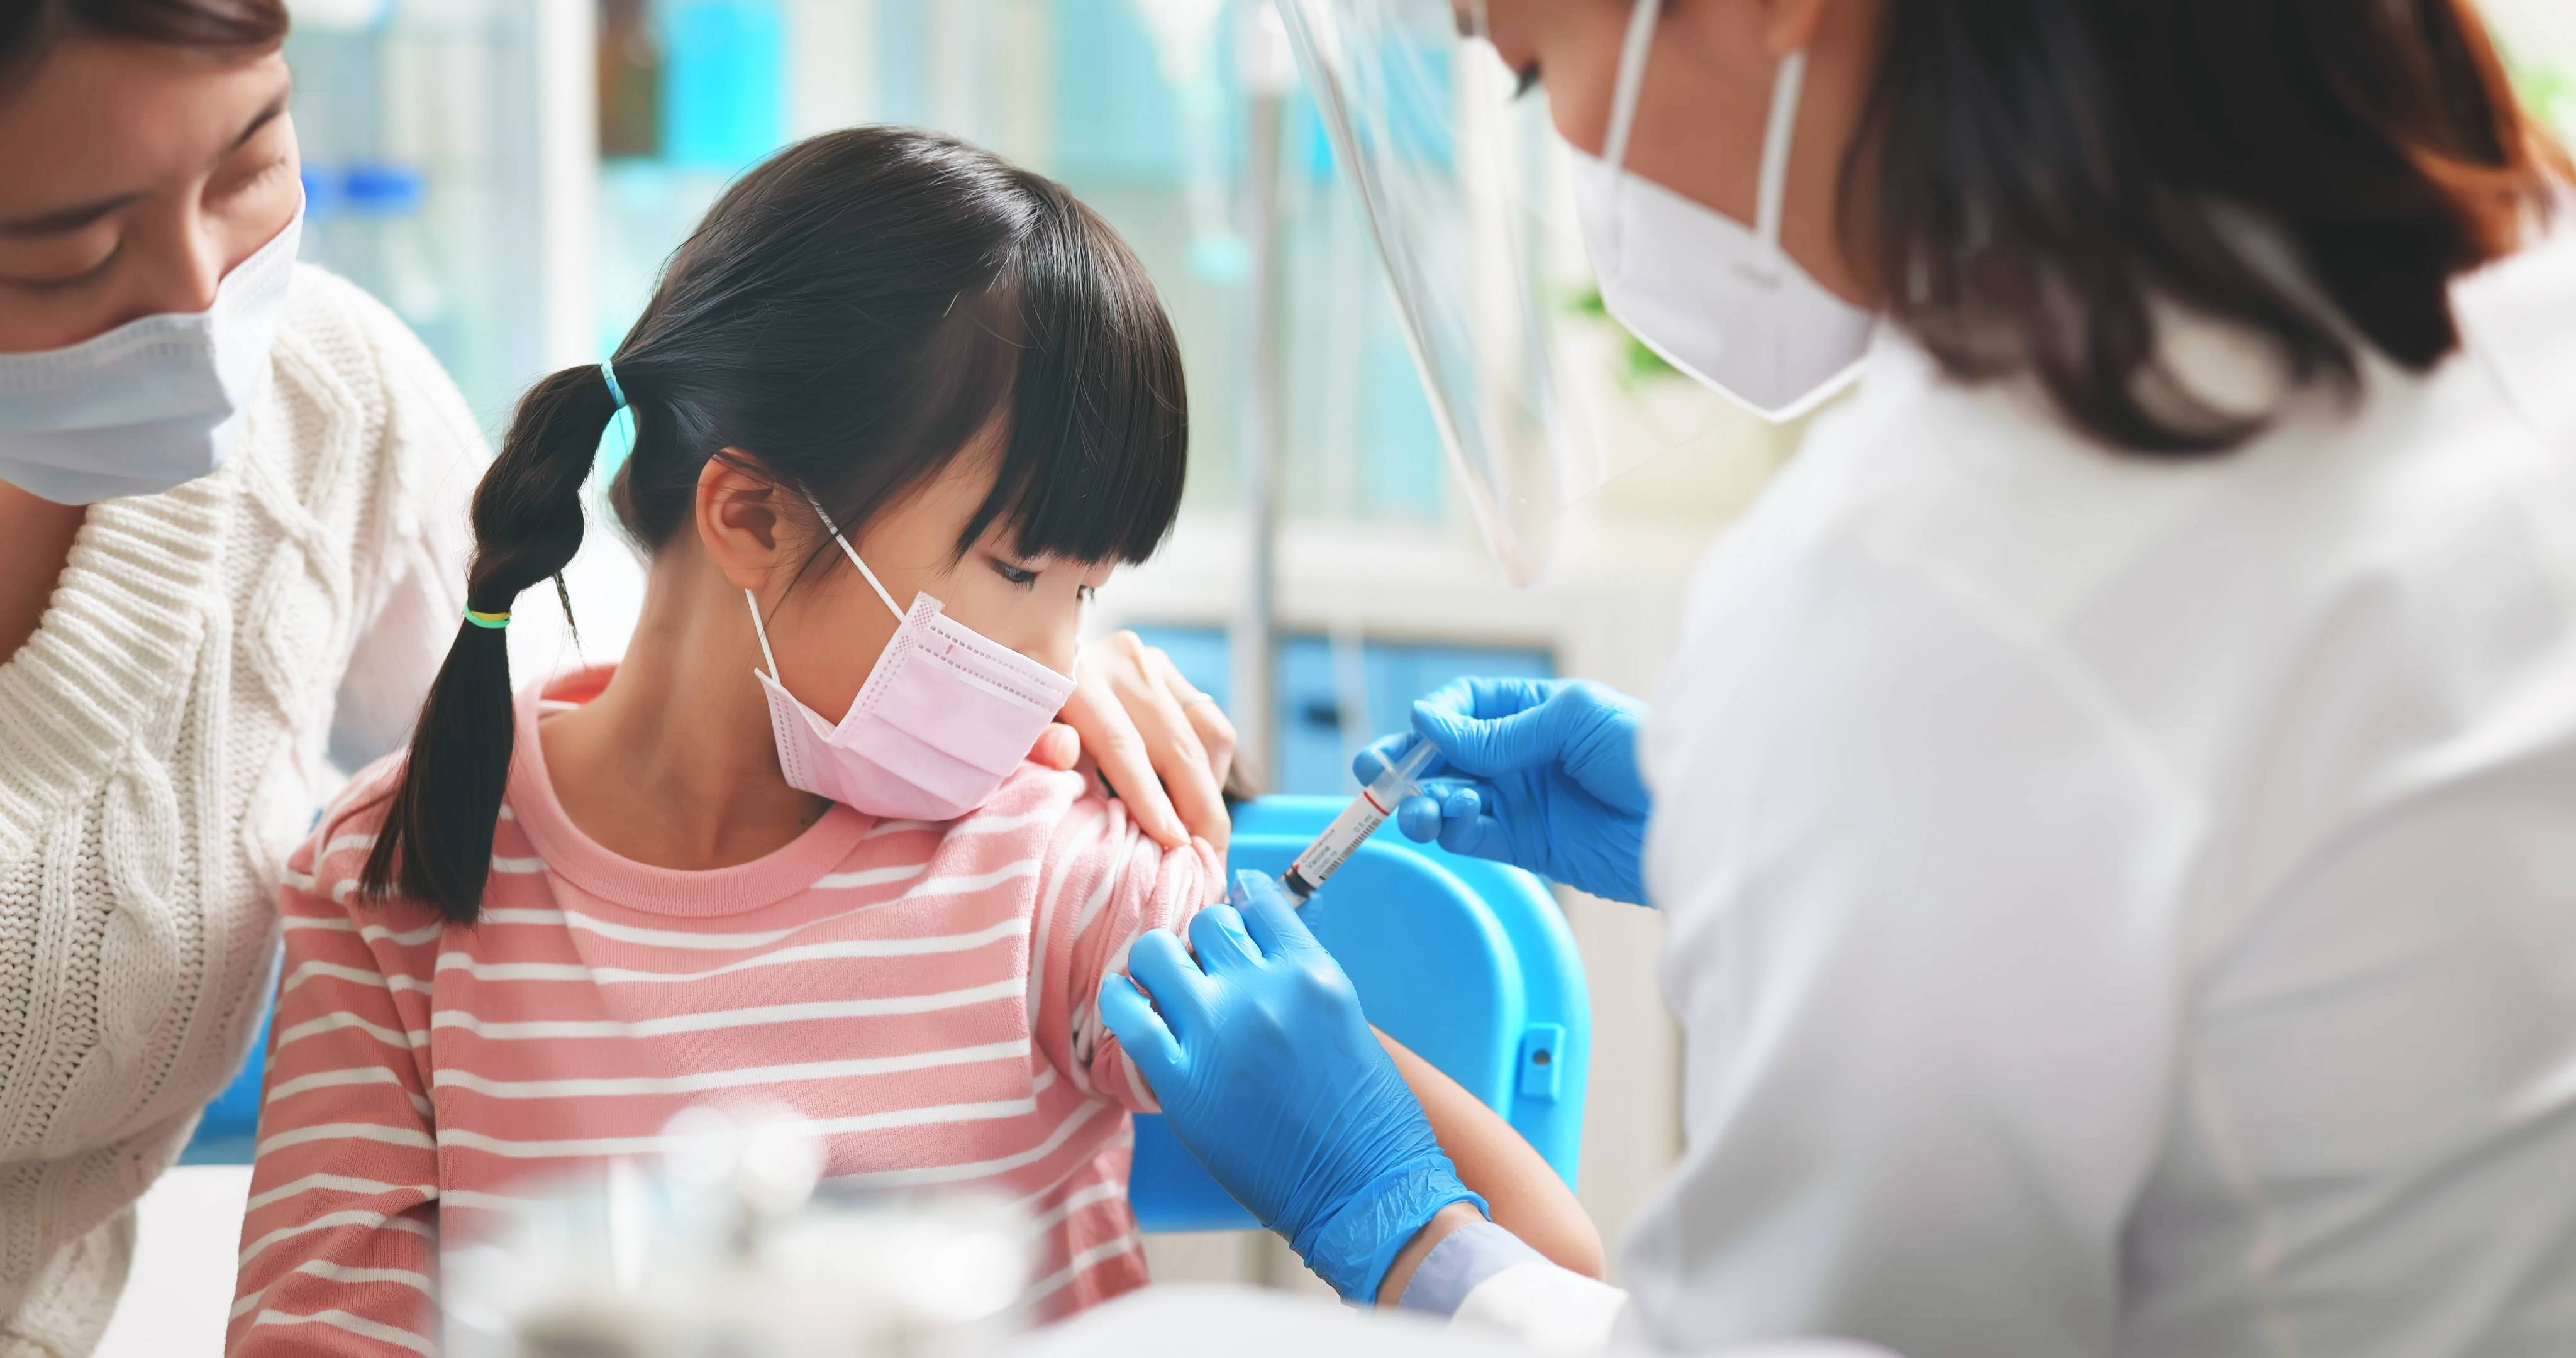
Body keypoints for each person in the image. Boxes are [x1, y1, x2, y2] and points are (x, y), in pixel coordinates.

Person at [1099, 1, 2576, 1355]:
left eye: (1538, 70)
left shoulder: (1929, 574)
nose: (1563, 146)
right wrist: (1769, 819)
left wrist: (1396, 1220)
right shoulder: (2510, 295)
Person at [226, 127, 1600, 1353]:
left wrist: (1380, 1199)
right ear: (751, 518)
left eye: (1086, 590)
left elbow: (1551, 1273)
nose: (1062, 661)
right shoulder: (405, 870)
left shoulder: (1048, 866)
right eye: (1017, 571)